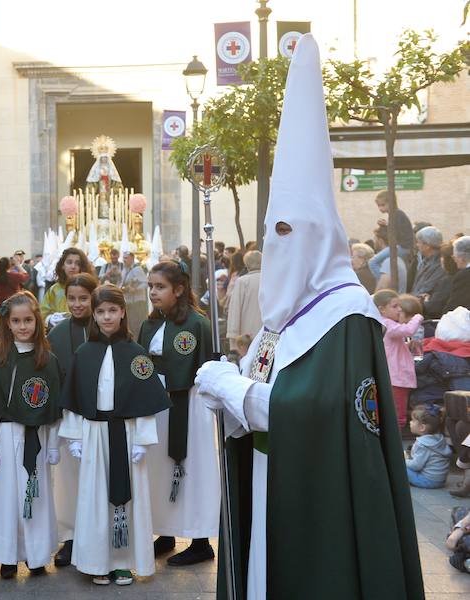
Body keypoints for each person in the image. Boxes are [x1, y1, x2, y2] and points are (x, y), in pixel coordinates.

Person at [194, 35, 423, 600]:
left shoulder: (347, 313)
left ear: (322, 237)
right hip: (271, 480)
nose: (280, 247)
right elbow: (261, 384)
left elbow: (321, 412)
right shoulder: (283, 316)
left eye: (291, 231)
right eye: (275, 232)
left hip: (322, 495)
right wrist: (230, 390)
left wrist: (232, 388)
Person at [58, 285, 166, 586]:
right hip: (94, 433)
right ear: (94, 314)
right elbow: (75, 397)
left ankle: (123, 562)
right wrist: (75, 437)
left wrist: (143, 439)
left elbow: (146, 400)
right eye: (101, 311)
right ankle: (97, 562)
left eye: (112, 311)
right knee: (95, 498)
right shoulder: (84, 353)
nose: (107, 317)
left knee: (129, 500)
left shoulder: (136, 353)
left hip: (128, 434)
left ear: (122, 312)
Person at [0, 291, 62, 578]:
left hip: (37, 438)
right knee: (6, 498)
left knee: (36, 497)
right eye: (16, 321)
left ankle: (36, 557)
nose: (23, 326)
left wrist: (54, 444)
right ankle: (7, 556)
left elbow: (55, 406)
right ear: (7, 324)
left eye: (28, 320)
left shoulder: (47, 360)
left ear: (37, 322)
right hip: (6, 437)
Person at [138, 260, 218, 566]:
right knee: (159, 466)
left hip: (189, 403)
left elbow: (210, 365)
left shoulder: (198, 324)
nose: (153, 293)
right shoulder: (148, 324)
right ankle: (166, 532)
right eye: (151, 287)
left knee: (192, 467)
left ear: (179, 289)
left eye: (160, 287)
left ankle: (200, 541)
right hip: (157, 403)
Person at [46, 272, 97, 566]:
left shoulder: (105, 328)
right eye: (72, 299)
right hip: (69, 417)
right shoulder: (56, 334)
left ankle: (97, 536)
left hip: (102, 417)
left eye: (83, 298)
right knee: (68, 481)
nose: (77, 305)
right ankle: (71, 537)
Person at [373, 289, 423, 430]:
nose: (399, 309)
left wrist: (406, 345)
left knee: (388, 413)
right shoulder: (387, 324)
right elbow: (408, 330)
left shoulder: (384, 324)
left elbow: (392, 347)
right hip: (396, 377)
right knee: (398, 416)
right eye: (395, 306)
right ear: (381, 309)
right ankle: (396, 447)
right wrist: (418, 316)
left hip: (391, 376)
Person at [42, 248, 96, 325]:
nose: (73, 266)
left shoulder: (91, 288)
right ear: (62, 266)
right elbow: (42, 313)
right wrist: (50, 319)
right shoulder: (54, 290)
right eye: (69, 262)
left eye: (78, 263)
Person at [368, 190, 414, 280]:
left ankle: (383, 282)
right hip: (403, 247)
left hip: (402, 247)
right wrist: (386, 225)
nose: (380, 208)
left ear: (391, 203)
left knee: (372, 262)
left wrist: (387, 226)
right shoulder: (395, 214)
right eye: (379, 206)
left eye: (383, 205)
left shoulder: (397, 214)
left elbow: (396, 234)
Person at [404, 405, 452, 489]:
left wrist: (404, 461)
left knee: (399, 468)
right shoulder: (439, 438)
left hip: (427, 481)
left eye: (413, 420)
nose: (410, 422)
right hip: (440, 481)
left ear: (422, 427)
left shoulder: (422, 444)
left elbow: (416, 466)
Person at [411, 226, 451, 318]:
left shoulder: (440, 264)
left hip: (426, 313)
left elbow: (426, 288)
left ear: (427, 245)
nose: (417, 245)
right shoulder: (425, 261)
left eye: (419, 242)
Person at [226, 251, 263, 346]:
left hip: (247, 338)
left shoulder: (242, 282)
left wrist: (233, 339)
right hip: (269, 335)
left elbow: (235, 310)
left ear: (246, 264)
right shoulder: (271, 279)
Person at [120, 251, 148, 336]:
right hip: (128, 301)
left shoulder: (137, 269)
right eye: (123, 258)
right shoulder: (124, 270)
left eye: (126, 258)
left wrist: (135, 289)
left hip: (137, 302)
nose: (124, 260)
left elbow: (145, 283)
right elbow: (122, 283)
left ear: (132, 259)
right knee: (130, 324)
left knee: (138, 324)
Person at [373, 225, 408, 293]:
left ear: (380, 241)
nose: (374, 242)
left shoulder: (389, 262)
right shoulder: (398, 260)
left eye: (375, 239)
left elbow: (382, 289)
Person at [444, 236, 470, 312]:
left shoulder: (464, 276)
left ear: (462, 258)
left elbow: (455, 305)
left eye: (455, 257)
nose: (455, 261)